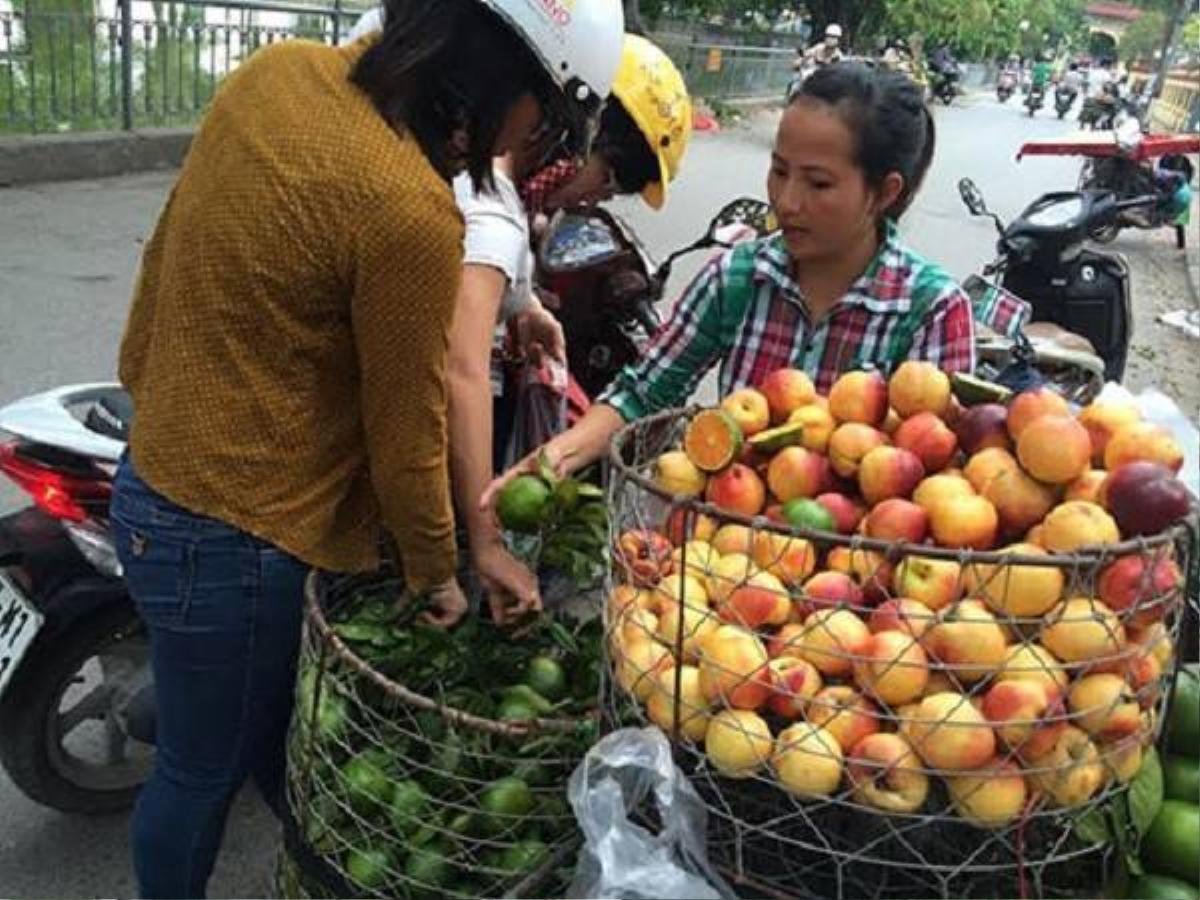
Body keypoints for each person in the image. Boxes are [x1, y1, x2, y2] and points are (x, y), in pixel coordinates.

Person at [109, 0, 624, 895]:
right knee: (197, 773)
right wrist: (443, 572)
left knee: (266, 738)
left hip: (151, 479)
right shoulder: (409, 210)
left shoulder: (277, 74)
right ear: (503, 81)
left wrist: (153, 397)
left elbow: (166, 257)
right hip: (235, 534)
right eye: (544, 116)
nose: (535, 138)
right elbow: (406, 431)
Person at [482, 62, 1028, 514]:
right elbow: (643, 392)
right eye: (779, 171)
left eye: (817, 183)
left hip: (859, 596)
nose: (786, 201)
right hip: (724, 567)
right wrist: (550, 462)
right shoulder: (739, 279)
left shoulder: (930, 309)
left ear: (884, 193)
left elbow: (938, 488)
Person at [447, 34, 692, 625]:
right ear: (579, 136)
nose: (599, 197)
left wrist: (527, 306)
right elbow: (464, 371)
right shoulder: (493, 204)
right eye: (607, 180)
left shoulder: (495, 184)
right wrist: (486, 542)